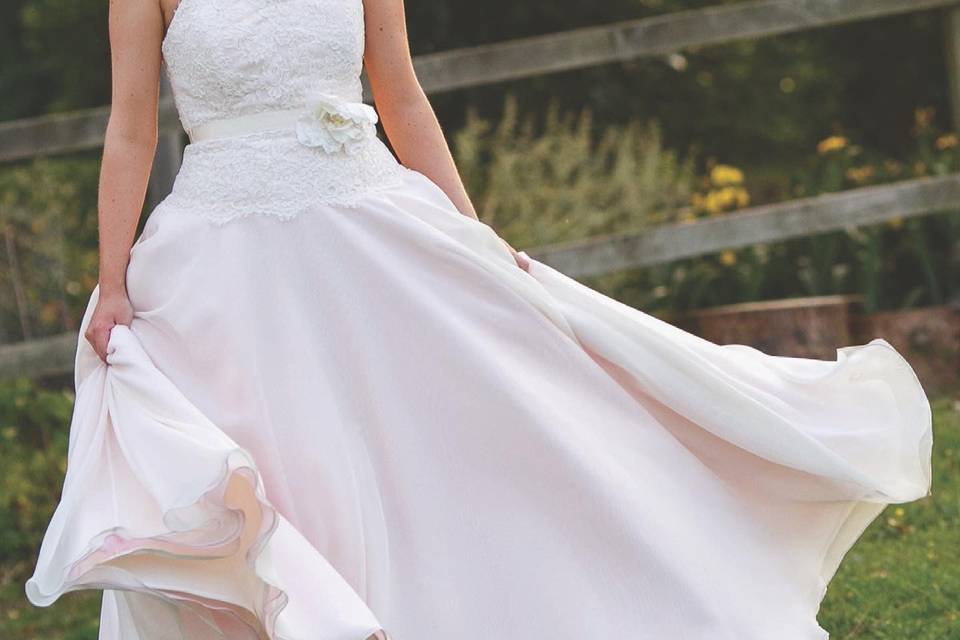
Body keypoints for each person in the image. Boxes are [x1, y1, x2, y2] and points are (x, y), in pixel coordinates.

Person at [25, 0, 933, 638]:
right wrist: (111, 280)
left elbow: (402, 95)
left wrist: (474, 237)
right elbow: (132, 130)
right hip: (223, 270)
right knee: (281, 470)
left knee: (444, 435)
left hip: (367, 228)